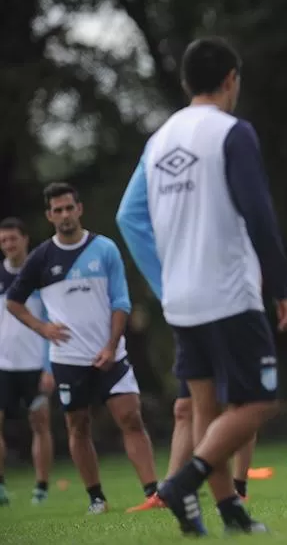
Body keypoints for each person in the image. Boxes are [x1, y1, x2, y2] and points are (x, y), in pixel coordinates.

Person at [115, 36, 287, 535]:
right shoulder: (230, 132)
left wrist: (165, 276)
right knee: (260, 402)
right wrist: (281, 285)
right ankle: (182, 482)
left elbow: (132, 216)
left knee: (205, 410)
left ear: (185, 82)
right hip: (228, 292)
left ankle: (228, 513)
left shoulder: (159, 141)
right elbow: (257, 213)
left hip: (180, 298)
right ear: (231, 80)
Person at [5, 183, 159, 514]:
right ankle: (96, 498)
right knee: (78, 425)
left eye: (68, 208)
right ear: (49, 216)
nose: (64, 215)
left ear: (80, 209)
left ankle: (153, 493)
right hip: (68, 359)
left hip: (111, 354)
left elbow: (121, 302)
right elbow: (14, 302)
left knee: (131, 417)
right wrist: (42, 327)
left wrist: (111, 345)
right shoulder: (41, 258)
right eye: (57, 210)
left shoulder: (105, 249)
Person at [0, 217, 54, 506]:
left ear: (25, 239)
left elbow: (50, 321)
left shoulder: (39, 276)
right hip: (3, 366)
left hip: (35, 364)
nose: (9, 245)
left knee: (40, 425)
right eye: (3, 240)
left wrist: (49, 367)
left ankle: (41, 488)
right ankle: (1, 487)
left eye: (13, 239)